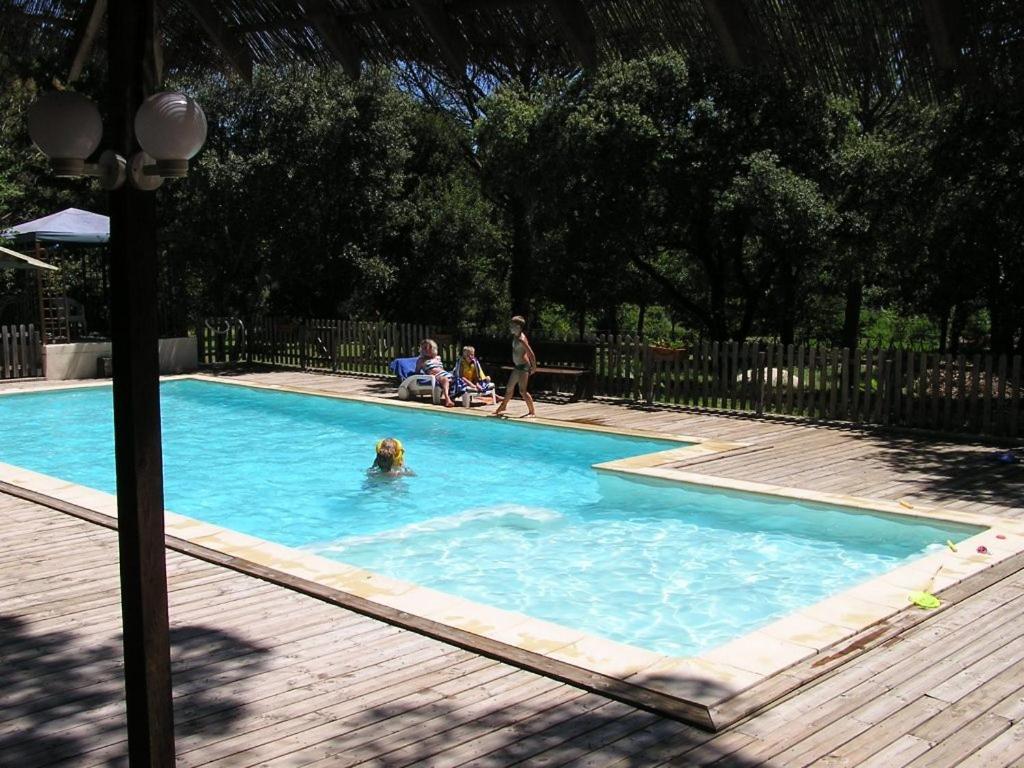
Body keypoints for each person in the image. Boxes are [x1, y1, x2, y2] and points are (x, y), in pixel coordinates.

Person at [494, 315, 537, 418]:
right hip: (518, 366)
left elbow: (531, 353)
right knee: (509, 387)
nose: (510, 327)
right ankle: (503, 406)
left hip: (524, 366)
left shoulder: (522, 339)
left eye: (512, 325)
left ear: (518, 327)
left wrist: (534, 367)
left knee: (522, 391)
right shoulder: (515, 336)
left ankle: (532, 412)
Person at [414, 338, 455, 407]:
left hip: (446, 373)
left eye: (429, 347)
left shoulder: (437, 358)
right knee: (445, 379)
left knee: (460, 377)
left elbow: (441, 368)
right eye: (424, 348)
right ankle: (447, 399)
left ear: (433, 349)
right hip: (436, 376)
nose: (427, 349)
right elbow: (416, 372)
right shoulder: (421, 360)